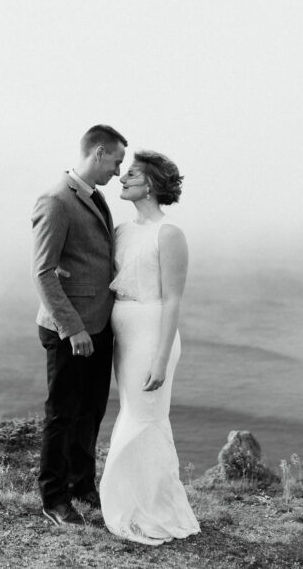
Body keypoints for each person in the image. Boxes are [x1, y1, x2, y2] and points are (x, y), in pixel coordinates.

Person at [99, 150, 200, 545]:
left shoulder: (169, 234)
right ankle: (137, 501)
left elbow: (173, 299)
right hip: (124, 331)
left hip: (151, 333)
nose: (122, 179)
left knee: (145, 418)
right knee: (133, 412)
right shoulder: (123, 231)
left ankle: (147, 508)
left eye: (133, 175)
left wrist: (160, 359)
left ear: (152, 185)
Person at [31, 124, 128, 526]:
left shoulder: (95, 196)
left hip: (99, 325)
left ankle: (82, 484)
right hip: (69, 330)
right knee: (62, 415)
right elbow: (43, 272)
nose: (119, 171)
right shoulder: (56, 200)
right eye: (117, 161)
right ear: (99, 152)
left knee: (91, 412)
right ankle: (54, 499)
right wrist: (73, 329)